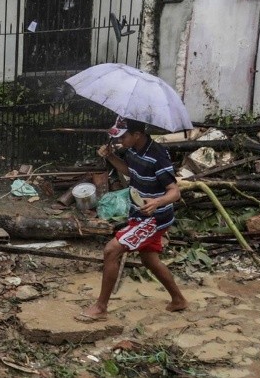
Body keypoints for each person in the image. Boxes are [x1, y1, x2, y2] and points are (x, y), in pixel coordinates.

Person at [76, 116, 188, 322]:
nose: (121, 141)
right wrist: (110, 156)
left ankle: (101, 307)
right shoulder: (133, 150)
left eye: (124, 137)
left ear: (137, 135)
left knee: (111, 250)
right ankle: (178, 299)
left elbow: (175, 192)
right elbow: (131, 172)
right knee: (149, 259)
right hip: (140, 213)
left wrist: (157, 202)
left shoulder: (158, 156)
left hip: (153, 218)